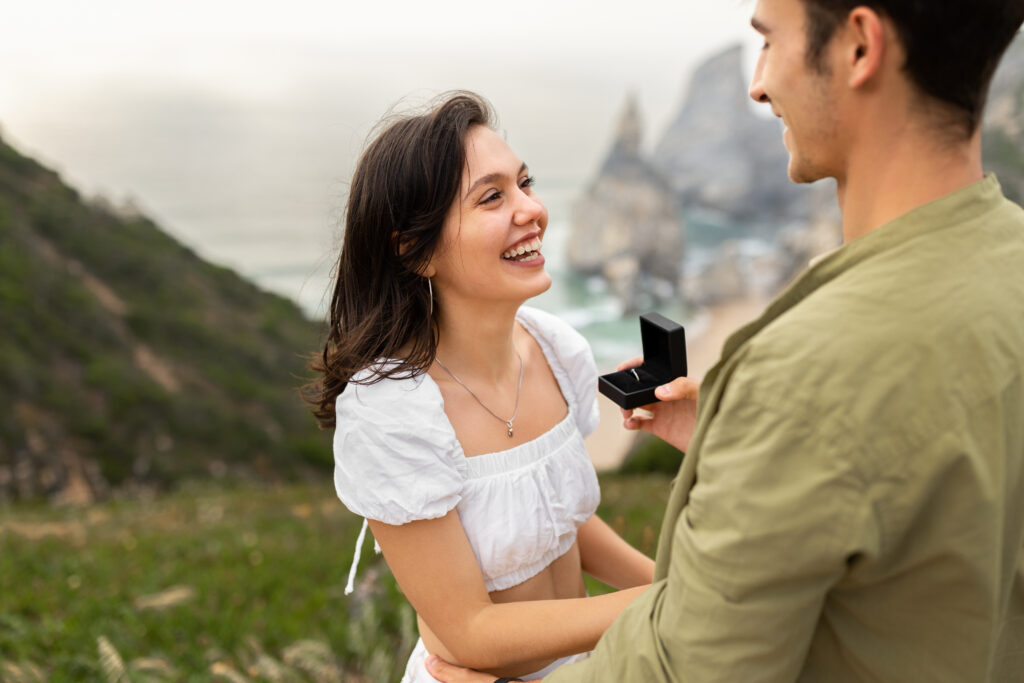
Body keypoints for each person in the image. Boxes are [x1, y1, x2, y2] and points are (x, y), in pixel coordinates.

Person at [426, 0, 1024, 681]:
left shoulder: (802, 373)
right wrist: (733, 432)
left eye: (769, 42)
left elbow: (689, 666)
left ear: (859, 46)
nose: (758, 84)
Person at [308, 92, 655, 683]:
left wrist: (675, 585)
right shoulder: (391, 411)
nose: (532, 209)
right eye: (492, 196)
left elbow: (559, 524)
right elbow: (469, 630)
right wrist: (661, 607)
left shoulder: (555, 349)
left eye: (525, 183)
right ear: (413, 250)